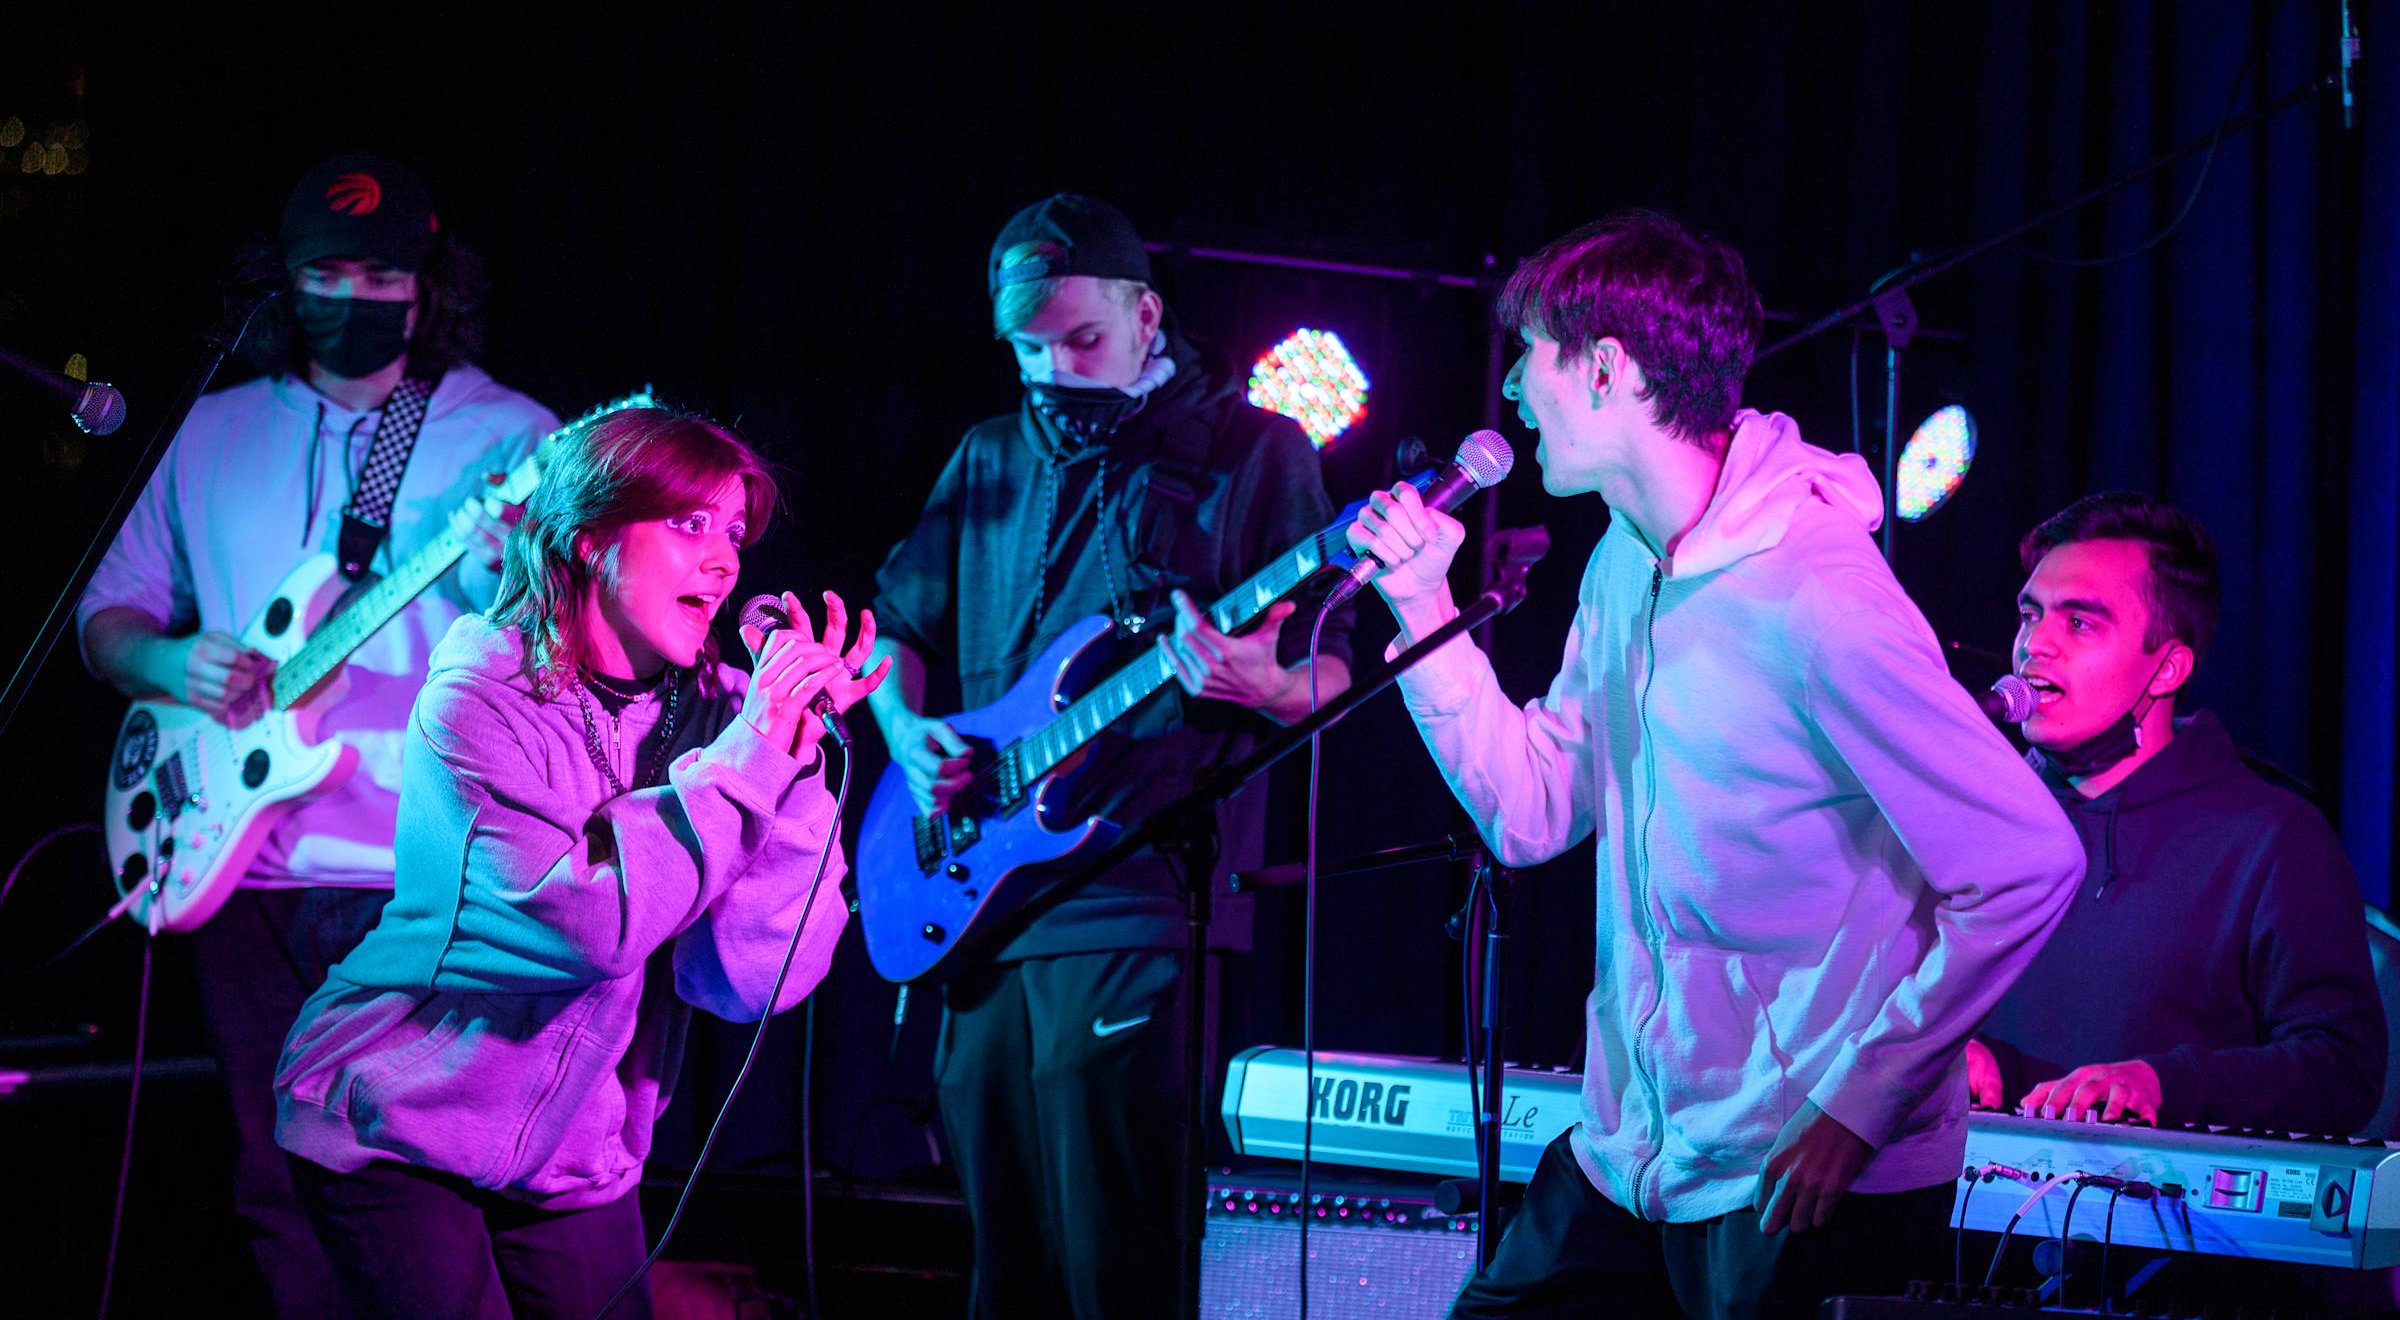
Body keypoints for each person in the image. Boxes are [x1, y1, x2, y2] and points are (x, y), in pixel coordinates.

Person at [1343, 209, 2085, 1319]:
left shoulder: (1816, 593)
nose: (1508, 396)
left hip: (1797, 1169)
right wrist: (1422, 611)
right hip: (1635, 1155)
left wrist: (1859, 1103)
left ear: (1604, 370)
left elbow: (2027, 863)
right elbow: (1536, 810)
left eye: (1529, 359)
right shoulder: (1623, 560)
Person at [77, 152, 556, 1316]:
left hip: (422, 869)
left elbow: (574, 652)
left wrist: (516, 576)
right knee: (276, 1183)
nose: (354, 297)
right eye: (325, 272)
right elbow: (107, 616)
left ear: (429, 283)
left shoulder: (510, 437)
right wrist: (170, 658)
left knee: (417, 1184)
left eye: (383, 274)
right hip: (242, 865)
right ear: (279, 281)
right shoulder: (211, 430)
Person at [272, 407, 877, 1319]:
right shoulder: (482, 691)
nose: (723, 560)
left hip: (573, 1154)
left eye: (733, 533)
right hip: (397, 1121)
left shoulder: (727, 719)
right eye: (688, 524)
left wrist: (788, 756)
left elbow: (747, 981)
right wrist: (752, 746)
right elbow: (588, 928)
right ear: (592, 538)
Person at [865, 192, 1354, 1317]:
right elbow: (898, 629)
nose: (1056, 369)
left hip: (1138, 891)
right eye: (1028, 347)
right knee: (1005, 1272)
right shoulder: (989, 454)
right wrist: (905, 728)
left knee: (1117, 1267)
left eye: (1082, 339)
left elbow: (1336, 674)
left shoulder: (1253, 452)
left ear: (1147, 315)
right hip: (980, 901)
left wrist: (1261, 682)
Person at [1971, 493, 2383, 1133]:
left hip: (2159, 1228)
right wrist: (1929, 1054)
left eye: (2080, 623)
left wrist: (2165, 1084)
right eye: (2031, 615)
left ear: (2166, 668)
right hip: (1957, 1225)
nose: (2034, 646)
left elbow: (2342, 1071)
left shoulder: (2271, 838)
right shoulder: (1970, 817)